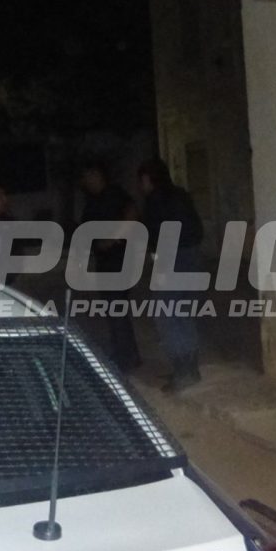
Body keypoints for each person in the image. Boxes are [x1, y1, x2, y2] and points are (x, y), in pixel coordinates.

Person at [137, 157, 203, 392]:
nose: (141, 185)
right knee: (182, 312)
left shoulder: (156, 200)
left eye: (142, 180)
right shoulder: (181, 195)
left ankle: (183, 370)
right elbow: (196, 228)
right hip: (191, 254)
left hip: (171, 257)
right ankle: (190, 368)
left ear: (149, 179)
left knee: (165, 313)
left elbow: (154, 232)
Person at [79, 162, 142, 372]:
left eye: (89, 176)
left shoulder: (114, 194)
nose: (86, 182)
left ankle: (126, 358)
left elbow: (132, 213)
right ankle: (127, 353)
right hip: (104, 261)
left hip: (119, 259)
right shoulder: (92, 200)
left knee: (116, 308)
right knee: (114, 309)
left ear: (98, 176)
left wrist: (114, 238)